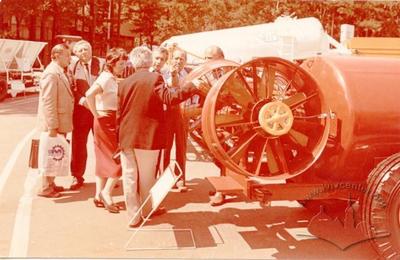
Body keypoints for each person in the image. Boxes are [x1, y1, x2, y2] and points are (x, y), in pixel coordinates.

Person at [117, 46, 200, 227]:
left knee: (130, 177)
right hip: (147, 136)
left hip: (126, 135)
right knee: (147, 177)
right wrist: (191, 88)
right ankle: (147, 210)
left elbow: (120, 112)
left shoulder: (124, 82)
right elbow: (170, 98)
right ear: (148, 61)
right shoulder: (155, 78)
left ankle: (133, 216)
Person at [85, 48, 127, 213]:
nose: (123, 67)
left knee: (104, 159)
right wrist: (96, 114)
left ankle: (98, 195)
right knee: (118, 158)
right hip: (106, 120)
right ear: (112, 64)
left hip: (108, 120)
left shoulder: (110, 78)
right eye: (121, 64)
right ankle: (106, 193)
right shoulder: (106, 78)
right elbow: (89, 94)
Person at [36, 43, 73, 198]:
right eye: (67, 55)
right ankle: (45, 187)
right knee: (50, 154)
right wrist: (52, 126)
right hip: (54, 124)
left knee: (56, 153)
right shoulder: (52, 73)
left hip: (59, 121)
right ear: (56, 55)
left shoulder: (58, 71)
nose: (69, 58)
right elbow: (48, 101)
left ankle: (50, 183)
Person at [69, 40, 104, 190]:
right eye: (81, 50)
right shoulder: (72, 67)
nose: (84, 52)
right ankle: (77, 176)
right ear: (76, 53)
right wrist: (81, 99)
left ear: (91, 50)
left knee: (103, 145)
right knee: (78, 145)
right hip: (81, 112)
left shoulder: (101, 64)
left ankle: (106, 175)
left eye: (86, 49)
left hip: (99, 110)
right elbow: (71, 87)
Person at [163, 49, 191, 192]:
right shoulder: (164, 73)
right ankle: (165, 178)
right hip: (167, 114)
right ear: (171, 59)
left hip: (182, 114)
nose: (178, 61)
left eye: (181, 59)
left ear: (185, 61)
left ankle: (180, 178)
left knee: (181, 148)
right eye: (176, 58)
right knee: (165, 148)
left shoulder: (188, 75)